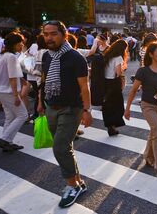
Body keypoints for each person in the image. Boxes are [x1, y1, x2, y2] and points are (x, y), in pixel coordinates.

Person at [36, 21, 92, 208]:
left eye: (53, 34)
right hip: (51, 106)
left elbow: (84, 86)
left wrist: (87, 110)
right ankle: (78, 181)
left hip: (71, 108)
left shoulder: (76, 58)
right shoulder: (46, 56)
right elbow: (43, 81)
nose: (49, 38)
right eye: (46, 34)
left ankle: (72, 186)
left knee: (60, 147)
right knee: (65, 146)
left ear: (64, 35)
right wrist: (40, 102)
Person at [124, 42, 157, 178]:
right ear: (151, 54)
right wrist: (127, 109)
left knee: (154, 132)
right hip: (147, 105)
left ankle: (148, 156)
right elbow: (133, 90)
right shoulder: (143, 71)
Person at [0, 32, 28, 152]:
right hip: (8, 91)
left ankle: (7, 142)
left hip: (0, 89)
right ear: (14, 44)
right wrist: (16, 96)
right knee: (23, 115)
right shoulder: (12, 57)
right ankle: (5, 139)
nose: (22, 45)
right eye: (20, 43)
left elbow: (11, 74)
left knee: (11, 116)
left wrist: (22, 81)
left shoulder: (3, 55)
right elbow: (12, 77)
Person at [102, 39, 127, 136]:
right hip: (114, 83)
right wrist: (123, 76)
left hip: (105, 82)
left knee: (107, 105)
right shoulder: (118, 57)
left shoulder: (107, 55)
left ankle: (109, 125)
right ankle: (113, 126)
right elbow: (118, 73)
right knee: (117, 105)